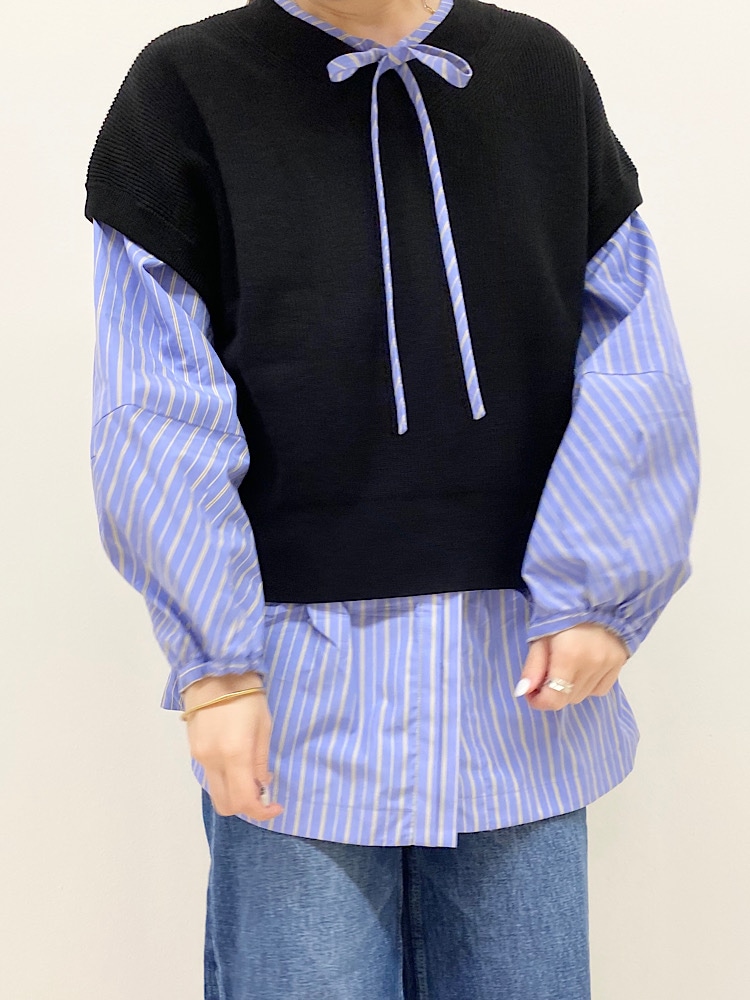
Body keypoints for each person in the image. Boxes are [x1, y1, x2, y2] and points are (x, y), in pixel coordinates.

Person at [84, 0, 699, 997]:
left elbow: (631, 351)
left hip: (520, 682)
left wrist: (602, 589)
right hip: (296, 694)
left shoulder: (538, 72)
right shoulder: (187, 87)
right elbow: (156, 403)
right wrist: (217, 668)